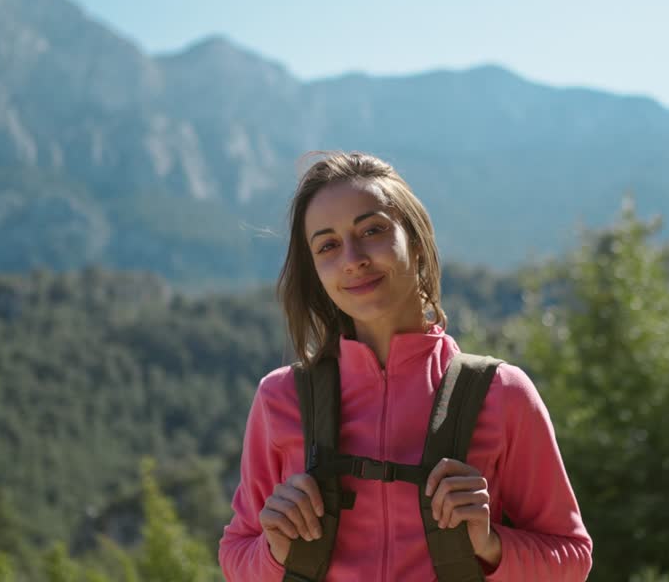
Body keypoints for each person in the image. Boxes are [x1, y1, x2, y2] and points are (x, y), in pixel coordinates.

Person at [219, 151, 592, 581]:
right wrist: (273, 551)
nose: (352, 258)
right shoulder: (280, 397)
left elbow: (572, 557)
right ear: (316, 271)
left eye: (372, 230)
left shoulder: (502, 392)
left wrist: (489, 545)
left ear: (415, 240)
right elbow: (236, 555)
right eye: (328, 245)